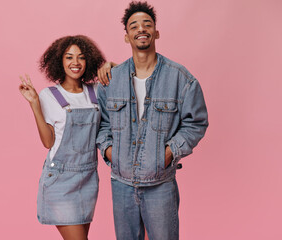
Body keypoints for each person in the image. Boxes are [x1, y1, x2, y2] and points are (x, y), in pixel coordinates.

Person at [96, 1, 209, 240]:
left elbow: (196, 123)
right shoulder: (111, 79)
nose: (141, 29)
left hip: (161, 185)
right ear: (127, 36)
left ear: (156, 32)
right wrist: (109, 152)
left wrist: (168, 152)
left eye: (147, 24)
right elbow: (102, 123)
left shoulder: (180, 78)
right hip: (121, 184)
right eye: (134, 25)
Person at [19, 35, 105, 240]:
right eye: (69, 57)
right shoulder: (49, 95)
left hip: (88, 177)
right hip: (61, 180)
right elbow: (48, 142)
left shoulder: (96, 91)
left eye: (81, 57)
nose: (75, 62)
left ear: (89, 61)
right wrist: (34, 104)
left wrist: (109, 66)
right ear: (60, 61)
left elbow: (126, 77)